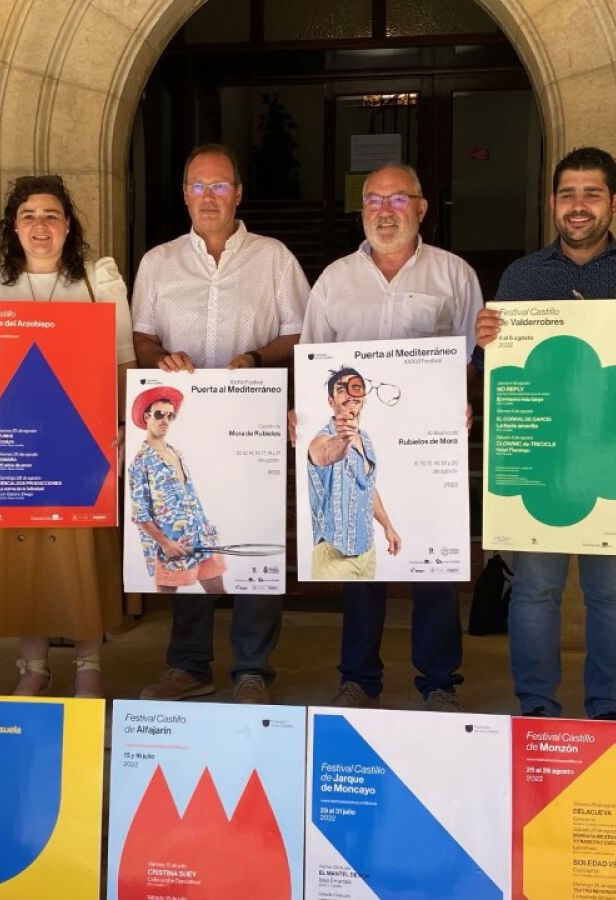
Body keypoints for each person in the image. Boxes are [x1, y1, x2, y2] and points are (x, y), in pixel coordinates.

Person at [472, 146, 616, 721]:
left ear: (615, 202)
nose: (578, 205)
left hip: (613, 457)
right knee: (535, 589)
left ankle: (609, 709)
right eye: (567, 193)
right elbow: (493, 371)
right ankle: (536, 709)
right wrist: (487, 341)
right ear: (552, 203)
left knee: (613, 591)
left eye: (592, 193)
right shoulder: (522, 277)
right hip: (543, 459)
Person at [297, 162, 480, 713]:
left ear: (421, 208)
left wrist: (465, 401)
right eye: (373, 200)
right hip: (355, 442)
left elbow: (474, 359)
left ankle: (439, 680)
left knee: (434, 567)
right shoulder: (334, 280)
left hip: (429, 451)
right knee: (360, 568)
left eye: (397, 199)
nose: (384, 211)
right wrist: (302, 413)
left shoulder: (454, 275)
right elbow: (311, 360)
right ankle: (358, 678)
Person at [131, 143, 309, 705]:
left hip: (251, 421)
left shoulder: (274, 258)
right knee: (187, 536)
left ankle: (253, 669)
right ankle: (189, 666)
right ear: (184, 194)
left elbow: (300, 332)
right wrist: (162, 358)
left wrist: (255, 357)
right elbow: (140, 336)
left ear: (238, 194)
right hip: (185, 425)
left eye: (220, 186)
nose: (208, 197)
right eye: (198, 186)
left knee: (254, 540)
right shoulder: (157, 262)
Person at [0, 173, 135, 699]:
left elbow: (123, 361)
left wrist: (124, 425)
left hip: (81, 444)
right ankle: (32, 666)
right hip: (10, 444)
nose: (40, 225)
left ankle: (89, 663)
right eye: (29, 215)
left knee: (81, 556)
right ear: (13, 226)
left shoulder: (98, 281)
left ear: (68, 225)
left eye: (51, 215)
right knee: (23, 555)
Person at [128, 386, 228, 593]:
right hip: (172, 545)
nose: (165, 420)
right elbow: (140, 515)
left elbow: (190, 496)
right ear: (147, 417)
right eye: (159, 414)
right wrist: (166, 544)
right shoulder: (140, 463)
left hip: (201, 538)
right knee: (166, 601)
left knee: (219, 592)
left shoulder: (176, 453)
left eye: (170, 415)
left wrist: (205, 527)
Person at [306, 367, 400, 580]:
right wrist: (343, 438)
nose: (349, 395)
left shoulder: (365, 438)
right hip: (333, 560)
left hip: (367, 554)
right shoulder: (321, 439)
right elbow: (326, 453)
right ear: (331, 401)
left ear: (363, 398)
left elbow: (367, 487)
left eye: (355, 388)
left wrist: (388, 526)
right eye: (341, 390)